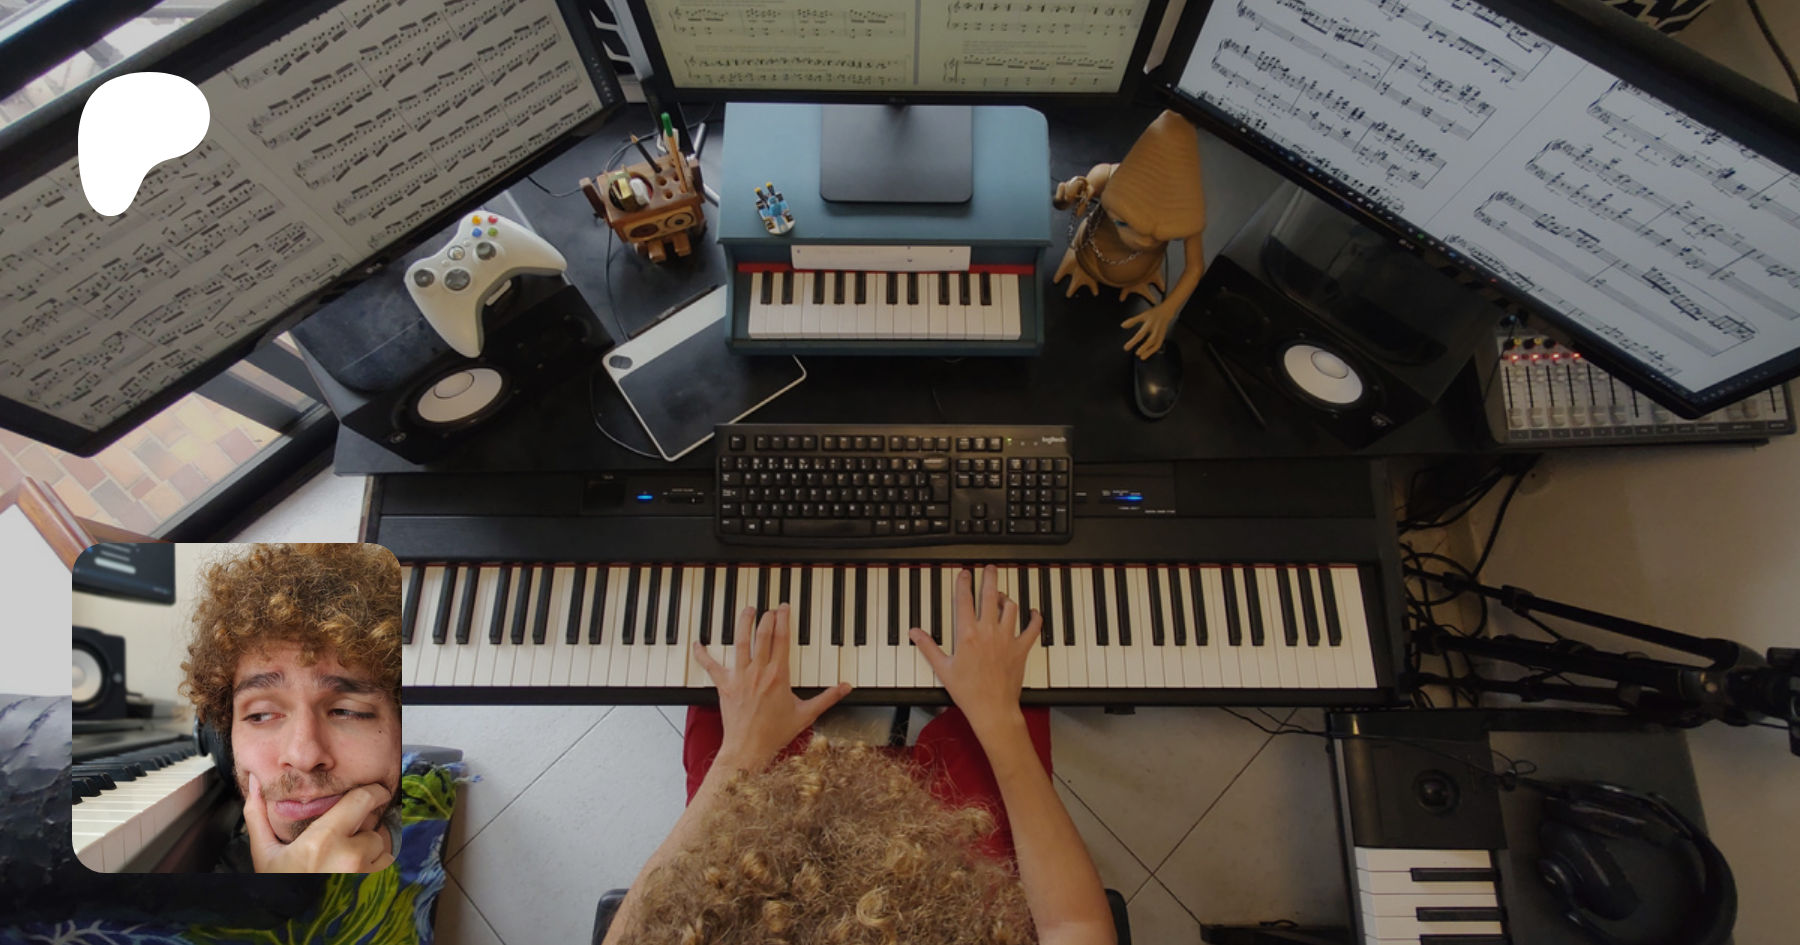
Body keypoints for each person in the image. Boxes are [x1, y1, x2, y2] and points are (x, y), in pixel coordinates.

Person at [605, 564, 1118, 945]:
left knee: (721, 692)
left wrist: (741, 752)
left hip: (751, 902)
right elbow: (1075, 926)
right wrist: (998, 717)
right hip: (948, 903)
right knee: (1014, 698)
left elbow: (641, 928)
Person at [179, 543, 402, 874]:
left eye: (347, 711)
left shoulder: (437, 812)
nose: (303, 756)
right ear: (224, 741)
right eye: (260, 715)